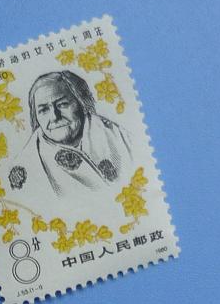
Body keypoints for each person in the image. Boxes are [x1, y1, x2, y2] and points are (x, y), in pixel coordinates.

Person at [7, 70, 134, 207]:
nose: (54, 117)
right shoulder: (26, 165)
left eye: (62, 104)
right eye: (43, 110)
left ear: (82, 103)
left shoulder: (118, 136)